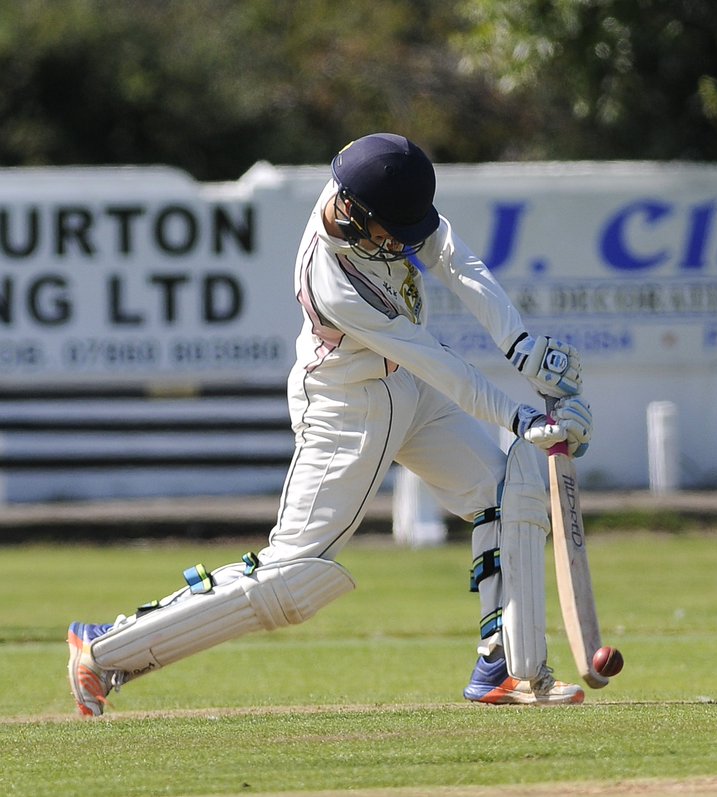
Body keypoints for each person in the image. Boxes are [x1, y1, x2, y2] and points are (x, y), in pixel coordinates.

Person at [66, 133, 594, 716]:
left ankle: (507, 667)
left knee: (506, 493)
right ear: (353, 211)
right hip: (350, 409)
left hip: (406, 387)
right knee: (291, 578)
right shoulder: (335, 281)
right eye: (392, 233)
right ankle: (106, 648)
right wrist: (521, 417)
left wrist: (520, 344)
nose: (402, 244)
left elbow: (454, 258)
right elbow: (438, 363)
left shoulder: (373, 192)